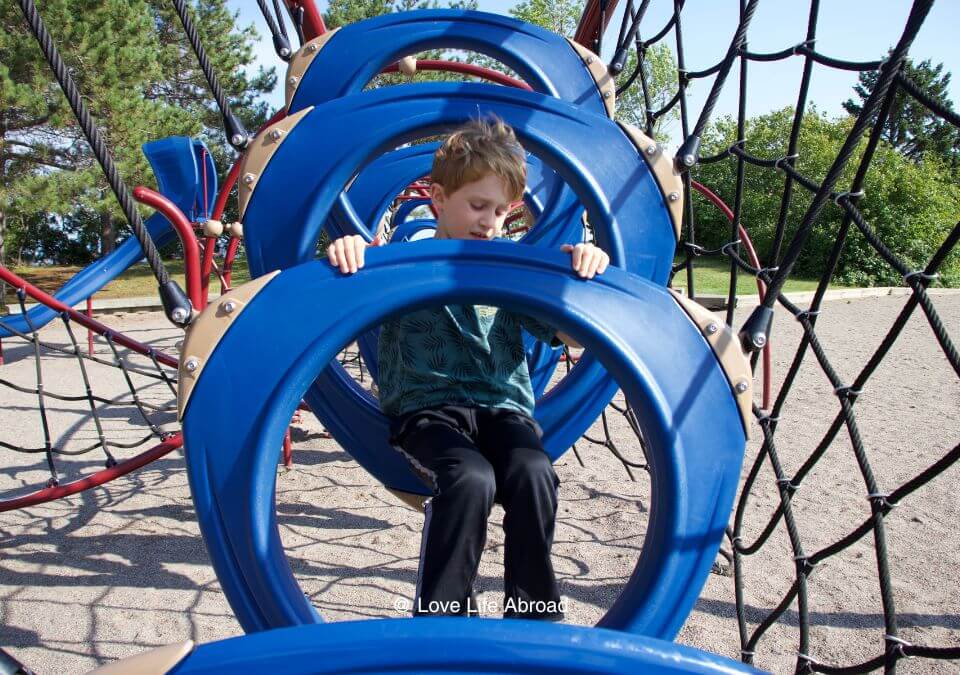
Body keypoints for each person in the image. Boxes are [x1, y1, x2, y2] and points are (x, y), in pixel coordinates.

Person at [326, 118, 609, 620]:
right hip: (428, 413)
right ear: (437, 198)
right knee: (471, 478)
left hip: (504, 412)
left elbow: (570, 335)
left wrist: (577, 279)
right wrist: (348, 251)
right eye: (477, 206)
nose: (490, 222)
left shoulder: (510, 268)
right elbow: (344, 294)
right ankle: (442, 616)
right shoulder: (397, 263)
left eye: (501, 211)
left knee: (533, 470)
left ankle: (533, 611)